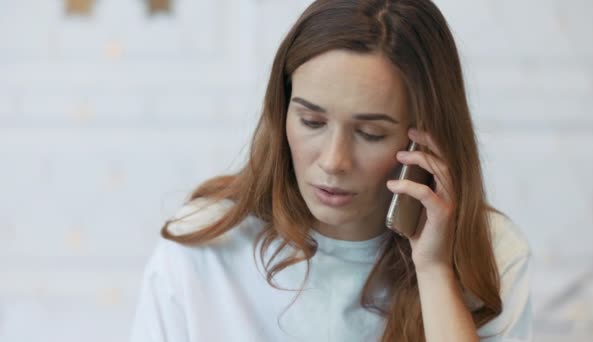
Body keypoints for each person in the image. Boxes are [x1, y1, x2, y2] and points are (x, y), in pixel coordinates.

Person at [129, 0, 533, 341]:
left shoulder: (494, 256)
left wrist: (434, 271)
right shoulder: (202, 250)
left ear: (426, 138)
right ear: (281, 111)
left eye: (371, 133)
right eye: (312, 123)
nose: (334, 161)